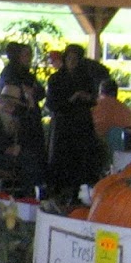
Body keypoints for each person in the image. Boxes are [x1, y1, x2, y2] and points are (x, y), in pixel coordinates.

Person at [45, 43, 110, 201]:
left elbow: (94, 98)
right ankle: (59, 193)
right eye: (70, 58)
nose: (72, 62)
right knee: (62, 161)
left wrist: (87, 98)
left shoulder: (86, 78)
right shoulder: (56, 79)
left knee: (81, 161)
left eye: (76, 59)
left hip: (82, 124)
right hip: (63, 124)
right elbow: (51, 104)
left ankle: (78, 193)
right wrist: (71, 99)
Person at [0, 83, 47, 192]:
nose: (12, 108)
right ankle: (27, 195)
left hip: (14, 158)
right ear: (1, 101)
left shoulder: (16, 116)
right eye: (10, 104)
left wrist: (18, 147)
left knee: (35, 159)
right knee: (28, 163)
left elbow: (30, 135)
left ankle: (33, 195)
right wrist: (5, 149)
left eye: (14, 105)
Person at [0, 42, 42, 111]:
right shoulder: (9, 73)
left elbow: (41, 93)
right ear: (18, 56)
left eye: (30, 55)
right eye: (26, 55)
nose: (30, 58)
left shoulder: (28, 75)